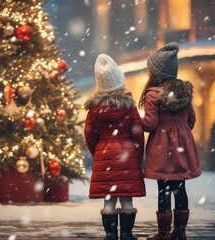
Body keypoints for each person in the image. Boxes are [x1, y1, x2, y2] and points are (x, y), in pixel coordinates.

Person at [139, 42, 201, 240]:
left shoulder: (153, 95)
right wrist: (179, 130)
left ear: (156, 74)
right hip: (182, 149)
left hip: (161, 150)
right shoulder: (184, 92)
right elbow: (191, 121)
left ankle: (164, 233)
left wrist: (134, 120)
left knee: (163, 190)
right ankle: (180, 232)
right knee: (180, 188)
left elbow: (149, 124)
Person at [84, 54, 146, 240]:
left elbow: (89, 134)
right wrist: (137, 155)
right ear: (119, 80)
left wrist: (98, 152)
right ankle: (127, 234)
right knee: (127, 197)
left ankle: (110, 234)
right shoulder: (129, 106)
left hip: (104, 153)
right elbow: (137, 133)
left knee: (109, 198)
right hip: (127, 154)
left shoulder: (94, 109)